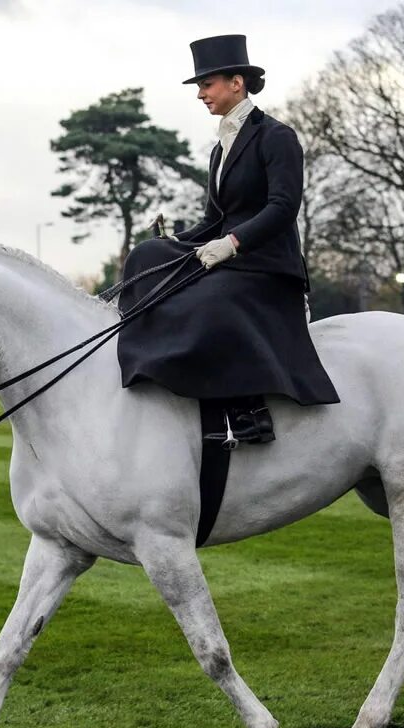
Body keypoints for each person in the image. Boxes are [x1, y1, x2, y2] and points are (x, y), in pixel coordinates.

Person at [115, 34, 339, 449]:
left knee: (210, 301)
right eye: (200, 87)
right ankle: (150, 369)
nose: (200, 94)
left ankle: (249, 411)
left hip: (268, 266)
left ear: (237, 83)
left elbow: (283, 207)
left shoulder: (277, 137)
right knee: (147, 256)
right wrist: (174, 241)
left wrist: (233, 242)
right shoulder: (219, 149)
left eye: (207, 84)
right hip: (230, 256)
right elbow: (212, 220)